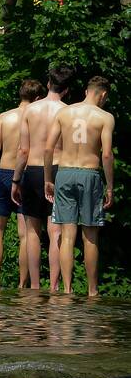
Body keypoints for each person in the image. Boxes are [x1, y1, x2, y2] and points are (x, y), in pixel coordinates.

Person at [44, 76, 115, 296]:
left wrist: (48, 178)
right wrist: (110, 186)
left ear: (86, 91)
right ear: (102, 94)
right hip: (89, 174)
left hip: (64, 173)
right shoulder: (105, 117)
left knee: (67, 235)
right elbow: (106, 154)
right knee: (90, 236)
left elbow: (48, 149)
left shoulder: (64, 113)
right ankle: (92, 291)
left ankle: (66, 289)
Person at [12, 64, 75, 290]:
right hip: (58, 170)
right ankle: (55, 286)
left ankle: (35, 286)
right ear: (66, 90)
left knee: (31, 232)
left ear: (48, 83)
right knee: (55, 230)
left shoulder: (30, 110)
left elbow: (23, 150)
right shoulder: (68, 111)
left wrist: (16, 180)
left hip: (33, 170)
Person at [0, 79, 45, 289]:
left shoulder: (4, 117)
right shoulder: (38, 119)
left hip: (3, 174)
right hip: (26, 175)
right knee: (26, 233)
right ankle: (22, 283)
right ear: (37, 98)